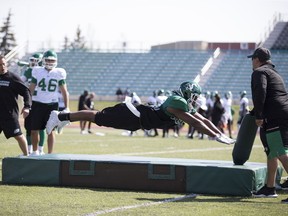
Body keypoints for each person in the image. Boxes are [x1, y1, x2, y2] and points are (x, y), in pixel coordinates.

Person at [46, 81, 236, 146]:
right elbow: (195, 123)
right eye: (193, 96)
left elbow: (202, 118)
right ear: (187, 95)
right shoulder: (177, 102)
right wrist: (215, 137)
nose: (196, 100)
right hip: (133, 114)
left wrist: (219, 134)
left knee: (97, 118)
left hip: (138, 122)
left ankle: (62, 118)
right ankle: (60, 116)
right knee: (96, 117)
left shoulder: (184, 104)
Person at [247, 47, 288, 201]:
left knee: (279, 151)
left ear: (257, 59)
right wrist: (254, 111)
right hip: (281, 113)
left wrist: (259, 115)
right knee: (272, 152)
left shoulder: (259, 72)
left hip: (274, 116)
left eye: (252, 59)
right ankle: (269, 188)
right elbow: (273, 94)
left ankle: (270, 188)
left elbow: (261, 92)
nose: (251, 62)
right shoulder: (274, 73)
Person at [29, 50, 70, 155]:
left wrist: (67, 107)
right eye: (47, 60)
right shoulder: (37, 71)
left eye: (52, 60)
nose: (50, 62)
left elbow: (64, 91)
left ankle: (50, 154)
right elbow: (31, 89)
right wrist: (27, 104)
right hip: (37, 103)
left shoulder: (58, 73)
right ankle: (35, 152)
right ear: (43, 60)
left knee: (50, 130)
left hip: (52, 105)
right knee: (34, 130)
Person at [0, 55, 31, 156]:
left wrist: (27, 106)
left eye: (3, 64)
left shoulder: (13, 78)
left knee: (18, 136)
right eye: (0, 65)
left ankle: (26, 157)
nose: (2, 66)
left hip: (9, 115)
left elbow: (26, 91)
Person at [19, 53, 46, 154]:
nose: (33, 62)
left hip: (41, 102)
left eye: (35, 60)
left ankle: (40, 149)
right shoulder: (29, 71)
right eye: (32, 60)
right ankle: (29, 149)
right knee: (28, 126)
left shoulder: (43, 71)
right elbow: (21, 81)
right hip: (30, 101)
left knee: (41, 127)